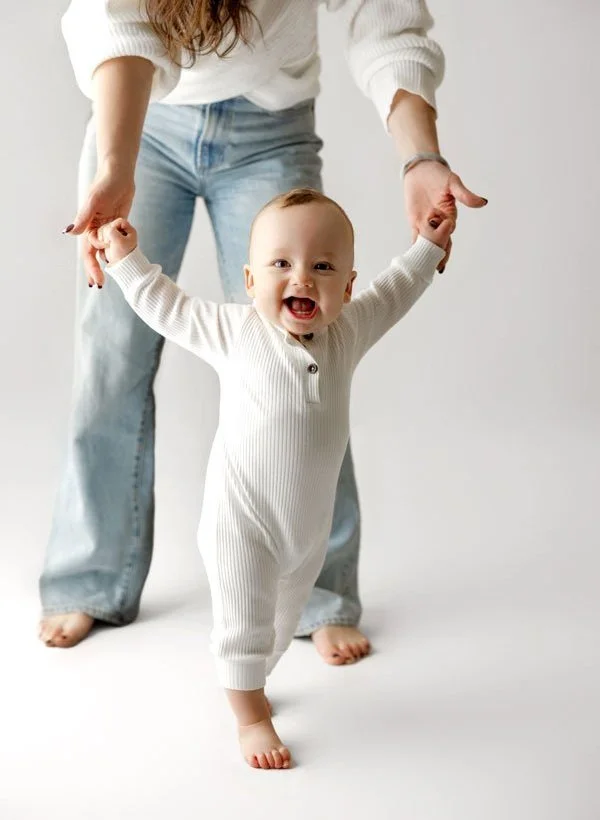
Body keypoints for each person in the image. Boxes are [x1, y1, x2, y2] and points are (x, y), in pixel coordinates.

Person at [39, 0, 487, 654]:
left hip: (270, 126)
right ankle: (89, 577)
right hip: (140, 116)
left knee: (307, 360)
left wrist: (420, 156)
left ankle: (323, 593)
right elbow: (115, 15)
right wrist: (117, 161)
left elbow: (382, 12)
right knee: (111, 354)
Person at [93, 187, 454, 768]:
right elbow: (169, 307)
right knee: (243, 626)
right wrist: (126, 260)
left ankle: (258, 676)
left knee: (280, 630)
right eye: (281, 264)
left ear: (348, 285)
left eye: (323, 265)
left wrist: (428, 245)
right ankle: (250, 717)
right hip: (241, 520)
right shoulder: (235, 332)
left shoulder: (349, 333)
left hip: (305, 531)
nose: (302, 277)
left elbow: (396, 292)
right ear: (251, 280)